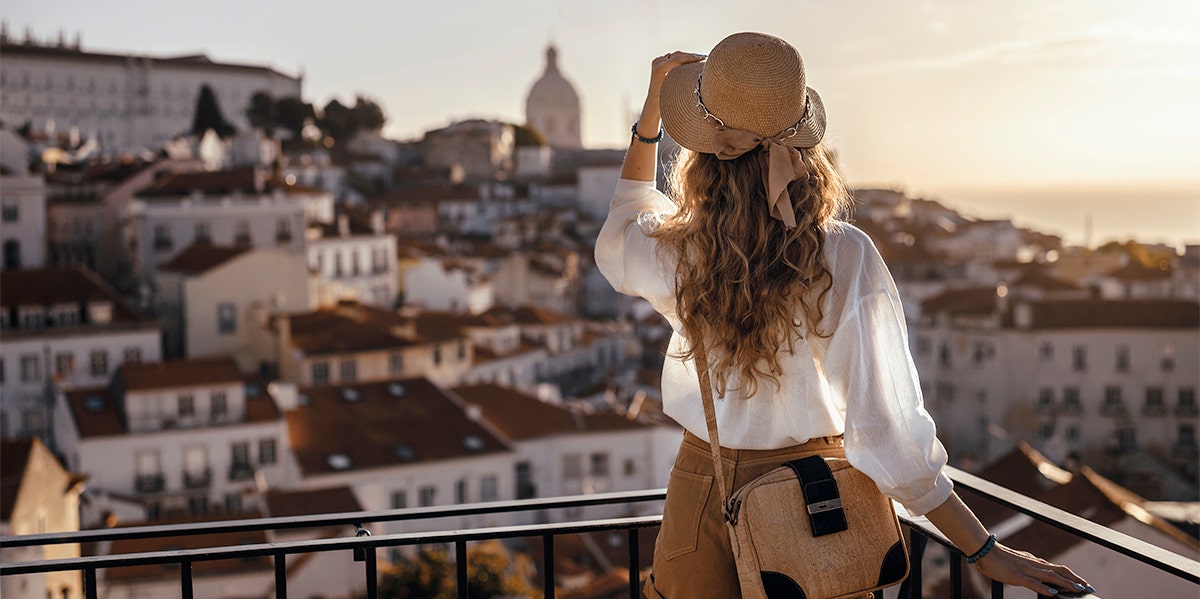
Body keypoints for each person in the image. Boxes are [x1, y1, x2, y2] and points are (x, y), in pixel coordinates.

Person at [595, 32, 1095, 599]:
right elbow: (888, 432)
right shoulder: (843, 255)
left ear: (701, 158)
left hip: (701, 494)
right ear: (804, 149)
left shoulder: (681, 252)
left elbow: (621, 227)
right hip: (816, 503)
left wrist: (650, 116)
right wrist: (982, 549)